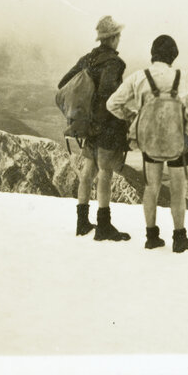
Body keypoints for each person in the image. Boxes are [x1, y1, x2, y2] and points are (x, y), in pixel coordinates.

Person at [106, 34, 188, 253]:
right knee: (178, 190)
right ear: (173, 56)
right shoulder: (179, 77)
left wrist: (133, 117)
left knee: (151, 187)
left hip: (149, 140)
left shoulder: (138, 77)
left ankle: (152, 237)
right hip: (177, 139)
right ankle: (179, 238)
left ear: (153, 54)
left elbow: (112, 104)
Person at [58, 15, 131, 242]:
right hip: (107, 126)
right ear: (114, 38)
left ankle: (82, 222)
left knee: (88, 171)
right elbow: (108, 94)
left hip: (88, 125)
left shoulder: (87, 59)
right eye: (118, 35)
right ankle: (104, 226)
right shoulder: (114, 63)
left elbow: (64, 83)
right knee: (105, 173)